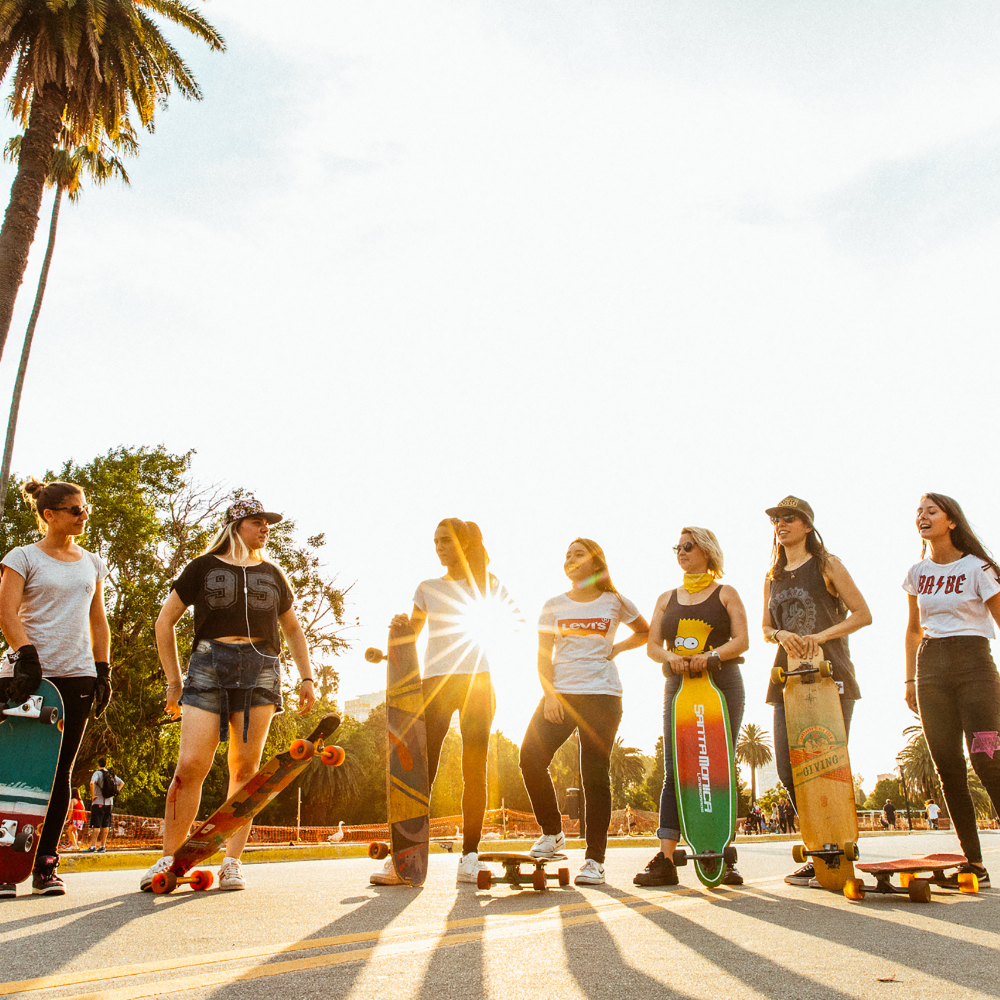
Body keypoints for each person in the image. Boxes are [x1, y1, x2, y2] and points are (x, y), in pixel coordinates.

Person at [140, 496, 316, 892]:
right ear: (236, 524)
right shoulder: (202, 567)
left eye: (267, 522)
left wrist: (307, 678)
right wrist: (174, 681)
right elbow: (164, 621)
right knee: (191, 766)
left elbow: (293, 630)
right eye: (258, 521)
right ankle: (170, 858)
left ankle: (232, 861)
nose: (265, 527)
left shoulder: (273, 572)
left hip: (261, 670)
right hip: (209, 665)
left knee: (245, 770)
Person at [370, 518, 519, 885]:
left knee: (474, 768)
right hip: (435, 685)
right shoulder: (427, 588)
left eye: (446, 542)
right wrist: (395, 636)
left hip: (477, 685)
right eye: (435, 541)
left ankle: (469, 856)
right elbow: (412, 638)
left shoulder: (486, 583)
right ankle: (403, 856)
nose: (438, 547)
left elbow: (508, 621)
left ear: (463, 545)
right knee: (419, 770)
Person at [0, 479, 111, 897]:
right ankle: (4, 862)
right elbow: (5, 610)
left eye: (86, 508)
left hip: (76, 674)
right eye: (74, 510)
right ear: (49, 514)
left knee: (60, 771)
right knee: (13, 769)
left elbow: (98, 620)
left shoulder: (91, 563)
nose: (83, 515)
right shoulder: (23, 557)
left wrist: (103, 669)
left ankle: (46, 864)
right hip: (27, 674)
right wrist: (25, 655)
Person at [520, 538, 649, 886]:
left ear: (595, 563)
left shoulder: (615, 601)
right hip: (561, 694)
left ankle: (594, 860)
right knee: (530, 757)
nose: (571, 559)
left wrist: (616, 648)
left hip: (603, 695)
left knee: (593, 774)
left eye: (578, 554)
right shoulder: (553, 605)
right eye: (567, 555)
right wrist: (550, 696)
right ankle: (552, 833)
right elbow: (542, 656)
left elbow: (646, 632)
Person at [761, 496, 871, 887]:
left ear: (807, 525)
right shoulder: (772, 576)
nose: (781, 523)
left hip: (830, 676)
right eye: (776, 519)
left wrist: (819, 637)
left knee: (827, 767)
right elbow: (764, 628)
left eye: (789, 518)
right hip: (788, 679)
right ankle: (819, 850)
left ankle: (835, 849)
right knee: (789, 769)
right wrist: (781, 633)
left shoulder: (827, 565)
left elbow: (863, 614)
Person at [634, 527, 749, 887]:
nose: (680, 552)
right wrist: (672, 656)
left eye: (688, 546)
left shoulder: (726, 593)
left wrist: (711, 655)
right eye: (677, 547)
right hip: (679, 688)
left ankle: (723, 855)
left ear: (707, 550)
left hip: (720, 685)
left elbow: (742, 640)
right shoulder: (667, 598)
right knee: (674, 768)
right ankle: (666, 860)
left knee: (718, 770)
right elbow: (653, 646)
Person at [903, 493, 1000, 888]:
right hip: (932, 669)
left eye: (931, 511)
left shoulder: (979, 568)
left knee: (988, 759)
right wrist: (910, 679)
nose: (922, 517)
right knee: (947, 767)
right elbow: (913, 630)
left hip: (974, 666)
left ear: (951, 521)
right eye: (919, 513)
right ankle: (973, 862)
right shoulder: (917, 572)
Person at [86, 757, 123, 852]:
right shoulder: (110, 774)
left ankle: (93, 846)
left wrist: (93, 795)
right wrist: (116, 793)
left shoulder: (97, 773)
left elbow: (91, 783)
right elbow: (122, 783)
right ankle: (103, 846)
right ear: (106, 764)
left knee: (96, 825)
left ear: (98, 764)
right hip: (109, 803)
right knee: (106, 824)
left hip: (98, 802)